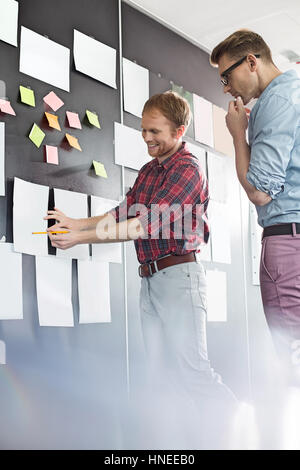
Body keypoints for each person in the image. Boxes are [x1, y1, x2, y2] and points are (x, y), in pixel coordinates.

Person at [45, 91, 237, 448]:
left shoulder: (188, 170)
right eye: (143, 130)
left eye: (154, 131)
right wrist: (75, 224)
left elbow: (142, 226)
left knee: (193, 371)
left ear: (179, 131)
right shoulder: (149, 171)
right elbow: (122, 214)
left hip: (180, 279)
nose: (147, 138)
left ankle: (237, 435)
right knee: (161, 375)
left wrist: (80, 239)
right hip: (149, 280)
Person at [210, 30, 300, 383]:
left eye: (226, 76)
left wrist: (237, 134)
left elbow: (259, 191)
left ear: (251, 61)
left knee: (292, 360)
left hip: (287, 242)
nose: (226, 88)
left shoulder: (276, 101)